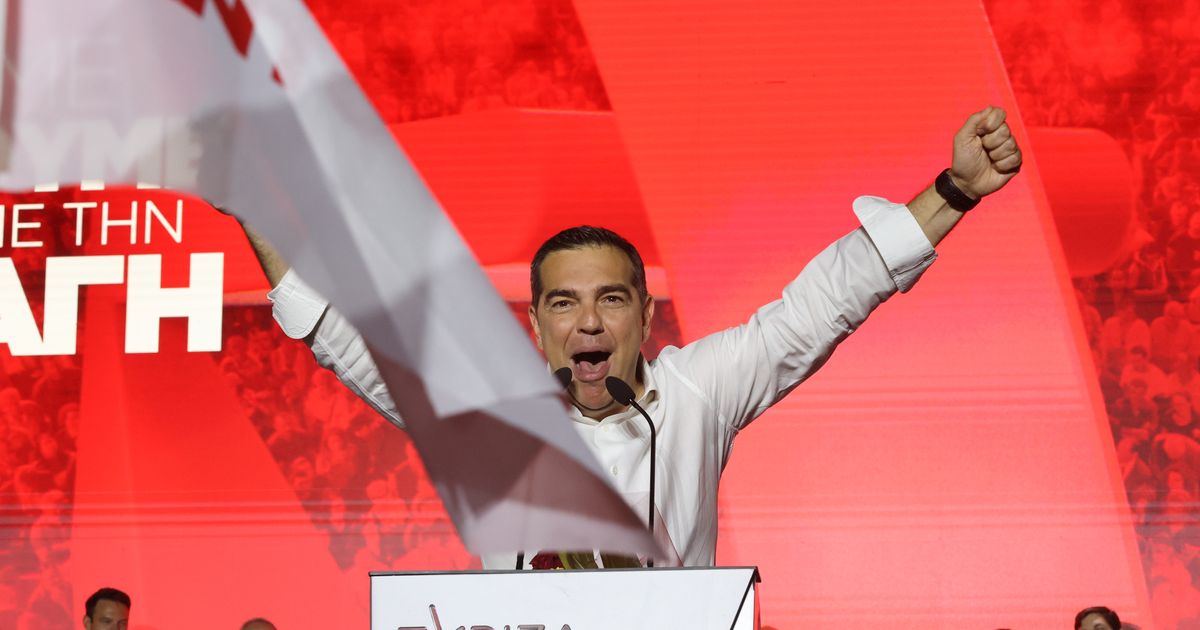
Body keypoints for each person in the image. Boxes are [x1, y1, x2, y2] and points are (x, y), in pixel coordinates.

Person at [235, 106, 1022, 568]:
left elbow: (821, 307)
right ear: (535, 324)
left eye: (611, 300)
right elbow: (343, 335)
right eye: (564, 304)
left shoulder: (697, 390)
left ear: (646, 317)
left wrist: (954, 192)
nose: (588, 323)